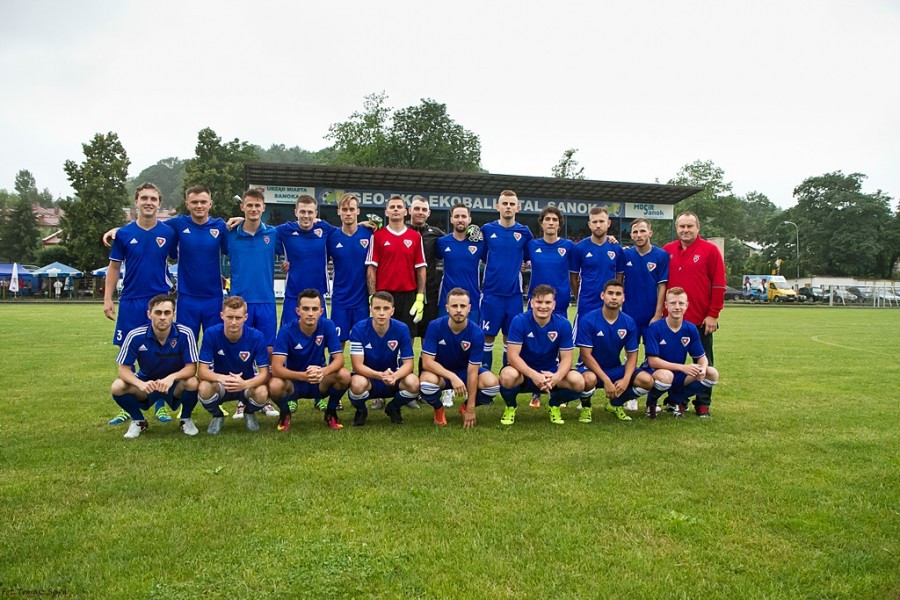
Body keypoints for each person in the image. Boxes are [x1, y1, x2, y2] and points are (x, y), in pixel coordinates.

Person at [102, 185, 230, 341]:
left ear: (210, 203)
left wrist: (242, 219)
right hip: (182, 298)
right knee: (182, 345)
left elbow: (238, 237)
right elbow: (145, 227)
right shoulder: (176, 225)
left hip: (209, 297)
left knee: (214, 344)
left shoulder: (220, 226)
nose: (199, 205)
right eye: (194, 202)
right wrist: (119, 230)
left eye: (203, 202)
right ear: (187, 204)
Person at [104, 183, 177, 426]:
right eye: (144, 198)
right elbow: (114, 268)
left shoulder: (168, 233)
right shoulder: (123, 234)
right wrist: (108, 299)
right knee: (128, 354)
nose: (148, 202)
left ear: (159, 204)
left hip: (159, 300)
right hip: (131, 301)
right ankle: (130, 405)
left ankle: (159, 403)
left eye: (153, 199)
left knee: (160, 353)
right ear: (136, 202)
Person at [110, 294, 200, 439]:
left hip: (173, 385)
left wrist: (171, 378)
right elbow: (123, 370)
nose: (162, 317)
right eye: (158, 313)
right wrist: (140, 383)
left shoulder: (185, 333)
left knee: (193, 382)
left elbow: (191, 368)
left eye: (167, 313)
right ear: (149, 314)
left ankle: (185, 419)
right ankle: (139, 421)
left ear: (173, 314)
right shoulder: (135, 335)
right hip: (147, 384)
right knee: (117, 386)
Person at [662, 211, 725, 415]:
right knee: (675, 365)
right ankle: (677, 400)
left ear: (698, 227)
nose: (685, 230)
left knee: (703, 362)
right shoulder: (667, 250)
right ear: (676, 228)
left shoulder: (710, 250)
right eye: (682, 226)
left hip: (700, 320)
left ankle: (703, 403)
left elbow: (718, 285)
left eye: (690, 226)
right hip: (673, 322)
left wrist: (713, 314)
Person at [498, 284, 584, 426]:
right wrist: (534, 375)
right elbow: (512, 357)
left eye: (547, 302)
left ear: (554, 305)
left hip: (550, 374)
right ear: (532, 302)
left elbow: (567, 359)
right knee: (507, 376)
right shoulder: (519, 321)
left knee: (578, 381)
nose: (543, 306)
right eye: (539, 302)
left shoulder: (563, 324)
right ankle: (511, 406)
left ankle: (554, 404)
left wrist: (556, 377)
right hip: (524, 374)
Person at [269, 289, 351, 431]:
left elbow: (339, 360)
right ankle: (285, 413)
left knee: (344, 375)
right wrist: (304, 376)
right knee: (274, 385)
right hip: (294, 383)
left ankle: (331, 412)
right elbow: (276, 368)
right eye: (306, 309)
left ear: (321, 311)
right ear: (298, 311)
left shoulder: (327, 325)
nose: (310, 313)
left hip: (319, 381)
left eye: (314, 309)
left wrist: (323, 371)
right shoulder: (286, 330)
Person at [419, 288, 500, 428]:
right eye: (454, 306)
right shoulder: (435, 326)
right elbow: (427, 363)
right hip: (441, 374)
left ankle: (464, 407)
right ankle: (438, 408)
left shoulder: (477, 333)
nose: (458, 310)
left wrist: (470, 408)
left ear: (469, 308)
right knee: (426, 383)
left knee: (492, 385)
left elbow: (473, 371)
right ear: (447, 308)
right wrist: (452, 376)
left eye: (462, 306)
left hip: (465, 372)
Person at [575, 280, 654, 423]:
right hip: (589, 369)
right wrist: (606, 380)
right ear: (602, 295)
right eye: (610, 293)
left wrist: (625, 380)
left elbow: (632, 355)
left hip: (614, 368)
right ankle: (586, 407)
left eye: (618, 294)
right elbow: (586, 356)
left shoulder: (628, 322)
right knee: (589, 379)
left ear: (623, 297)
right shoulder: (588, 320)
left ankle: (615, 404)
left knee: (647, 381)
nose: (614, 297)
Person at [524, 205, 575, 408]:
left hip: (559, 305)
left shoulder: (568, 246)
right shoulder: (531, 245)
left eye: (555, 220)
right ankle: (535, 392)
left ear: (559, 224)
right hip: (536, 306)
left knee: (560, 350)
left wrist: (612, 239)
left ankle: (557, 392)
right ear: (542, 223)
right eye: (547, 219)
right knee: (534, 348)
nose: (551, 223)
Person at [197, 296, 271, 434]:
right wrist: (221, 378)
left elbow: (265, 374)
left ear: (245, 317)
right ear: (222, 315)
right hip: (221, 384)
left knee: (262, 392)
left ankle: (249, 412)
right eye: (229, 317)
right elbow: (202, 371)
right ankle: (217, 415)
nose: (234, 322)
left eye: (238, 318)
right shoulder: (211, 334)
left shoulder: (256, 336)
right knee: (204, 387)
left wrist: (244, 384)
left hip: (246, 384)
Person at [434, 204, 484, 407]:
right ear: (451, 219)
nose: (460, 219)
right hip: (447, 302)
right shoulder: (442, 242)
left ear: (470, 220)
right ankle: (447, 389)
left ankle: (471, 388)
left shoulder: (480, 243)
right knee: (444, 346)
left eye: (464, 216)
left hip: (472, 303)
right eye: (457, 216)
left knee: (471, 344)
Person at [642, 287, 719, 418]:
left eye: (681, 303)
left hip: (678, 373)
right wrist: (683, 368)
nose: (677, 307)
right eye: (673, 303)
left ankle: (676, 400)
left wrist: (703, 369)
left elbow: (702, 357)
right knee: (666, 376)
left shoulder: (690, 328)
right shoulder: (655, 328)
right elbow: (653, 361)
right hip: (656, 371)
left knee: (712, 373)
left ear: (686, 305)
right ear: (666, 305)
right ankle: (651, 403)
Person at [480, 190, 534, 371]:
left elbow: (530, 256)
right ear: (498, 206)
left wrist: (523, 263)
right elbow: (482, 255)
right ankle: (485, 377)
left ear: (518, 208)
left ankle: (507, 375)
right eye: (505, 203)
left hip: (514, 295)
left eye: (512, 204)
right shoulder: (487, 230)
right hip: (491, 293)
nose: (508, 207)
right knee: (487, 336)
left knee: (510, 337)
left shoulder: (524, 232)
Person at [347, 292, 420, 426]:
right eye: (377, 308)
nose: (381, 313)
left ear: (392, 311)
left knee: (414, 383)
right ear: (371, 310)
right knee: (356, 384)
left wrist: (395, 376)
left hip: (394, 378)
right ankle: (361, 410)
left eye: (386, 308)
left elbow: (409, 364)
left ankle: (393, 407)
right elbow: (357, 366)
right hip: (369, 378)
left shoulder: (402, 328)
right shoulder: (358, 329)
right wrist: (380, 375)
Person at [621, 217, 669, 411]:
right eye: (635, 232)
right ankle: (630, 396)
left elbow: (662, 286)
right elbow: (618, 282)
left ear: (650, 232)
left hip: (651, 317)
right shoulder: (626, 255)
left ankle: (652, 400)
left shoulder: (661, 256)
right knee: (630, 357)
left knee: (653, 358)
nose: (639, 235)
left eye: (642, 231)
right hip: (630, 316)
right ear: (631, 235)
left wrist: (658, 314)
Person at [365, 195, 427, 333]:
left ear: (405, 211)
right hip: (384, 294)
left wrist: (420, 297)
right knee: (383, 334)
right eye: (392, 207)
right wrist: (372, 296)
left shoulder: (415, 237)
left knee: (408, 334)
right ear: (386, 212)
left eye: (399, 207)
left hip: (408, 295)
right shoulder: (377, 236)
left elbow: (421, 268)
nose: (396, 209)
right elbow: (371, 268)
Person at [277, 194, 334, 327]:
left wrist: (361, 225)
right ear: (296, 212)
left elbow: (346, 232)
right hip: (293, 296)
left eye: (310, 212)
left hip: (317, 298)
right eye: (302, 211)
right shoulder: (285, 230)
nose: (306, 216)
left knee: (319, 337)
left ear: (316, 213)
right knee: (288, 336)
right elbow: (261, 231)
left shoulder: (325, 229)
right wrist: (242, 220)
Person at [327, 193, 373, 344]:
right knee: (337, 344)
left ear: (358, 211)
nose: (348, 213)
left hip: (362, 301)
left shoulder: (369, 234)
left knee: (363, 343)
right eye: (344, 209)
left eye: (351, 209)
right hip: (340, 300)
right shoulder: (332, 236)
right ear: (338, 211)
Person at [570, 207, 624, 330]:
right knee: (583, 340)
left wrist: (613, 296)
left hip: (609, 304)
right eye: (594, 222)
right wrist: (581, 298)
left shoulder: (617, 249)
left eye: (601, 221)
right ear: (589, 225)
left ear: (608, 223)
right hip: (586, 304)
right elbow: (573, 279)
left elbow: (619, 279)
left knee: (608, 339)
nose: (598, 225)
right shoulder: (579, 248)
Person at [408, 195, 446, 339]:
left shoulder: (436, 234)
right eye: (417, 208)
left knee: (428, 336)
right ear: (410, 210)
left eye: (424, 210)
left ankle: (425, 357)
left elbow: (456, 241)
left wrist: (471, 231)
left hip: (430, 294)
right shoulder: (401, 231)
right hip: (407, 293)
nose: (420, 212)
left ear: (429, 213)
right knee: (407, 335)